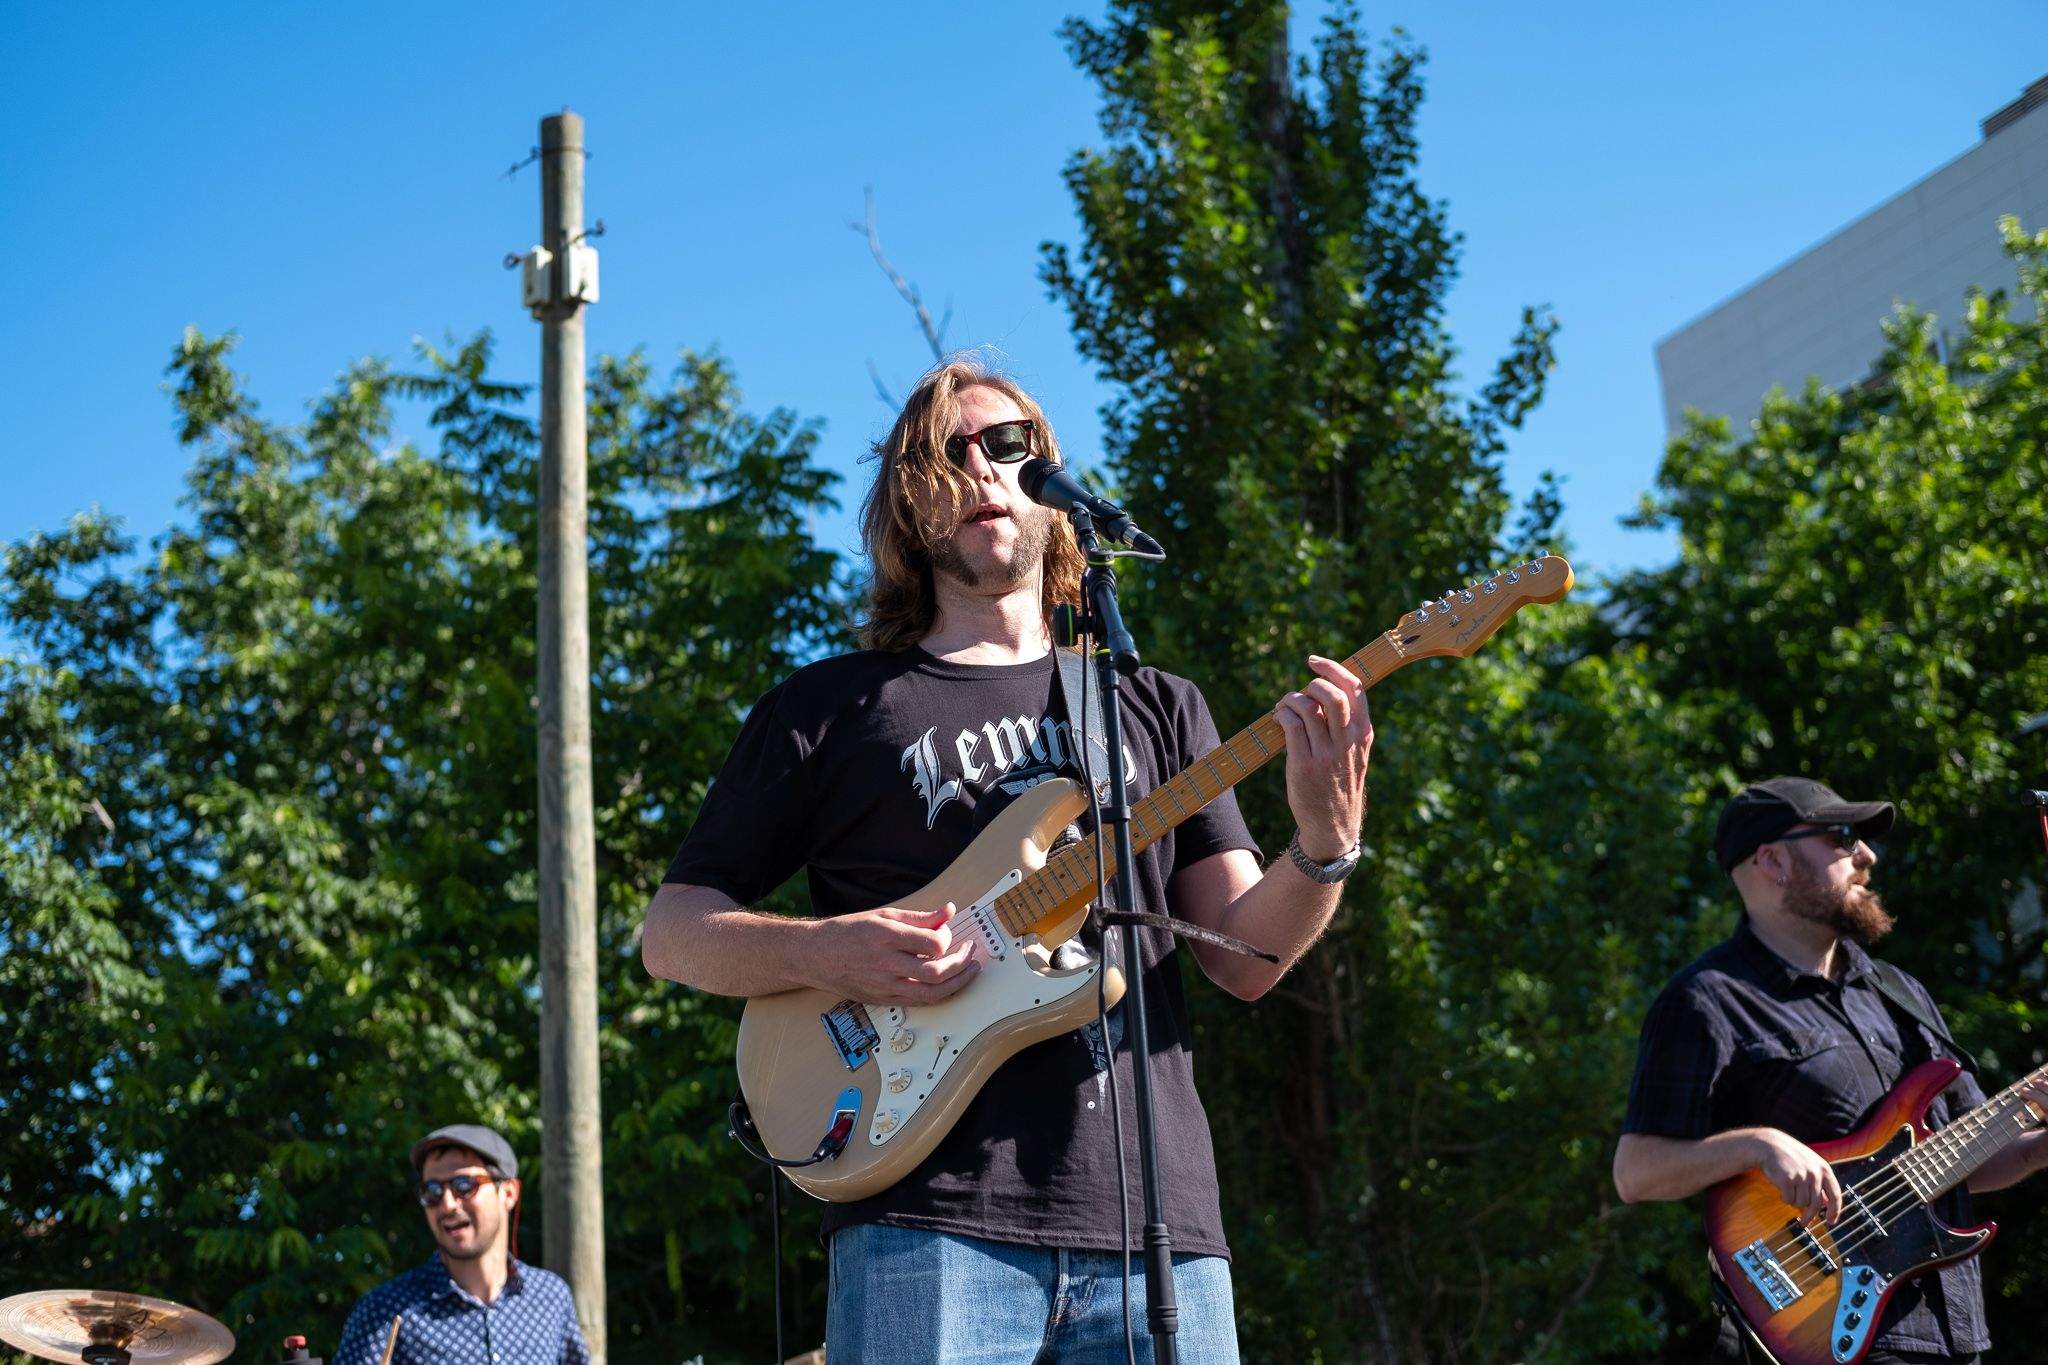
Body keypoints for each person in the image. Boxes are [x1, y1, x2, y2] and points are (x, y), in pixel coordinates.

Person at [641, 360, 1374, 1362]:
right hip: (923, 1220)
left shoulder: (1152, 704)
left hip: (1156, 1233)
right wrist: (836, 951)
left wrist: (1325, 840)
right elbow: (673, 935)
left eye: (1008, 444)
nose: (983, 469)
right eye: (949, 451)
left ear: (1050, 479)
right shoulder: (831, 709)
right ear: (909, 500)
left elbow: (1245, 957)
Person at [1612, 777, 2048, 1363]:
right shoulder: (1706, 1000)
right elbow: (1636, 1172)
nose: (1866, 856)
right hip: (1830, 1337)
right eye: (1842, 838)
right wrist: (1758, 1145)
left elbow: (1969, 1158)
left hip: (1951, 1338)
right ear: (1773, 861)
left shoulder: (1901, 994)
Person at [334, 1124, 590, 1365]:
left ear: (509, 1193)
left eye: (464, 1185)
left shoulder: (550, 1297)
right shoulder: (384, 1312)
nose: (447, 1204)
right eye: (432, 1191)